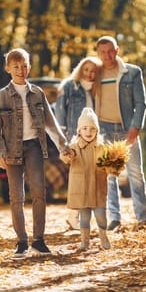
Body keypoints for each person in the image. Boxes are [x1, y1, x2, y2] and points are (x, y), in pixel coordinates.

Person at [0, 48, 70, 258]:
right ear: (8, 69)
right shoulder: (2, 96)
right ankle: (22, 242)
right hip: (11, 150)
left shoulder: (38, 93)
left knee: (39, 193)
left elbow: (51, 123)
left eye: (24, 65)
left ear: (29, 67)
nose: (21, 70)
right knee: (16, 196)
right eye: (16, 66)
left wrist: (63, 146)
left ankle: (39, 240)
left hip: (34, 146)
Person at [95, 35, 146, 230]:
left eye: (111, 50)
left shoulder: (132, 72)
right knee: (110, 175)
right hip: (105, 130)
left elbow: (141, 103)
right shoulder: (95, 74)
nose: (107, 55)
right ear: (98, 54)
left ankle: (142, 218)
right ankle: (115, 219)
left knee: (135, 173)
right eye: (103, 52)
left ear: (117, 50)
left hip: (127, 128)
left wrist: (135, 127)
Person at [55, 56, 102, 230]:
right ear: (81, 69)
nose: (89, 74)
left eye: (93, 71)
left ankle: (89, 217)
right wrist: (64, 139)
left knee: (93, 177)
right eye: (86, 70)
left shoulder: (98, 88)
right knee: (77, 178)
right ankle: (72, 215)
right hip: (75, 138)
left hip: (93, 138)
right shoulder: (69, 85)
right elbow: (60, 112)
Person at [60, 107, 111, 250]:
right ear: (79, 131)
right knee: (85, 217)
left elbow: (110, 165)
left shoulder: (102, 147)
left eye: (92, 129)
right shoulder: (74, 147)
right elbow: (65, 156)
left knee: (101, 214)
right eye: (85, 128)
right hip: (81, 189)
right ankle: (85, 241)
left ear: (97, 131)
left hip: (98, 188)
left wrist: (113, 165)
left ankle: (103, 236)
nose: (88, 132)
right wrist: (66, 155)